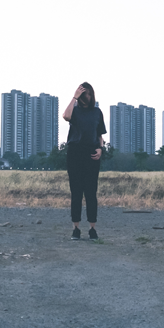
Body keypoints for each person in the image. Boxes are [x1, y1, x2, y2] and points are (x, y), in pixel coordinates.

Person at [62, 82, 106, 241]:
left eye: (87, 93)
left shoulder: (97, 112)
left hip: (92, 154)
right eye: (82, 93)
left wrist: (100, 149)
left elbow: (100, 135)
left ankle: (92, 229)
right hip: (75, 153)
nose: (84, 96)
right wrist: (74, 97)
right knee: (76, 192)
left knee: (91, 192)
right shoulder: (74, 111)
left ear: (91, 95)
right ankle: (76, 229)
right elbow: (66, 116)